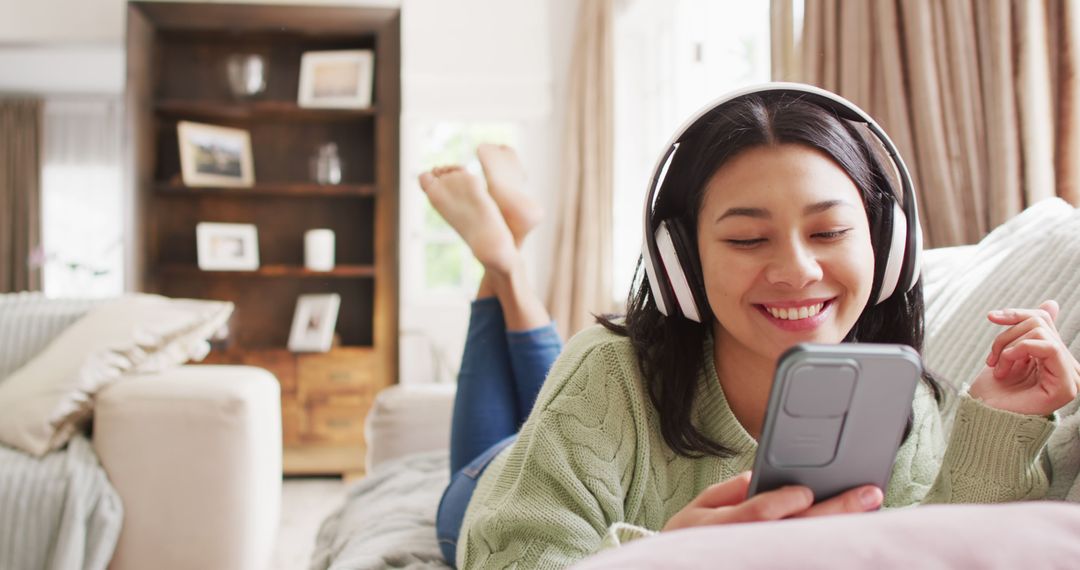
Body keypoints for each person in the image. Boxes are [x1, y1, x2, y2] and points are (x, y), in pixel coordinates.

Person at [419, 87, 1080, 570]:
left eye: (829, 232)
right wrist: (665, 561)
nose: (796, 271)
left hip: (581, 449)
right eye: (746, 238)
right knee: (515, 431)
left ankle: (506, 256)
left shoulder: (903, 403)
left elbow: (929, 545)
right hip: (489, 490)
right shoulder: (606, 375)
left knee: (555, 389)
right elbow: (509, 556)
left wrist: (997, 421)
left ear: (887, 245)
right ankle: (503, 265)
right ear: (682, 262)